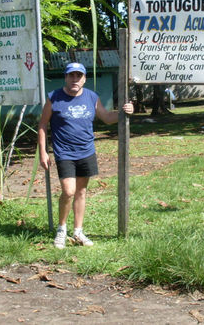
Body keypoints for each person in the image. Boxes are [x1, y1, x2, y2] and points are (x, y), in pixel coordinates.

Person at [37, 62, 134, 249]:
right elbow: (42, 125)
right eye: (71, 75)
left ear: (84, 78)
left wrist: (125, 111)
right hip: (64, 152)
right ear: (66, 77)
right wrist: (43, 152)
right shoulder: (54, 97)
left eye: (78, 76)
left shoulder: (92, 97)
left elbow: (106, 118)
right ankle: (61, 230)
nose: (75, 79)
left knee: (81, 191)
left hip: (86, 151)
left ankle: (78, 231)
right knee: (69, 191)